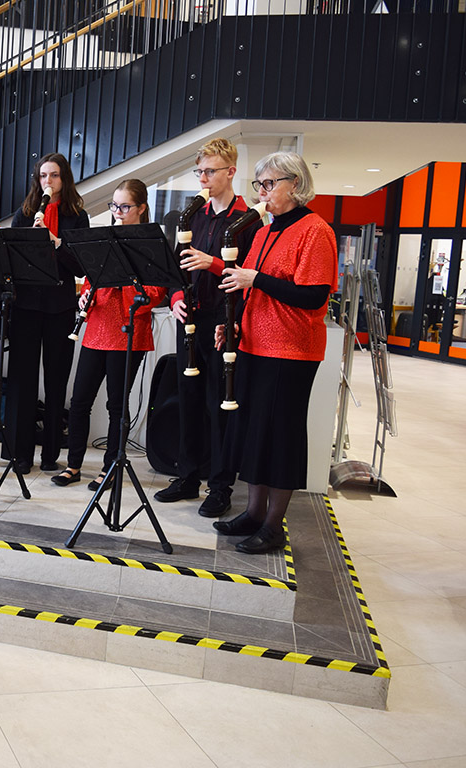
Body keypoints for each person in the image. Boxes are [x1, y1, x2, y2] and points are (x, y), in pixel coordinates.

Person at [213, 152, 338, 554]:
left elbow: (313, 295)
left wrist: (258, 279)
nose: (262, 193)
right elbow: (247, 287)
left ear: (295, 185)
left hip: (291, 350)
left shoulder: (315, 231)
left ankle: (273, 524)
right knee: (254, 433)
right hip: (254, 344)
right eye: (259, 185)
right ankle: (253, 513)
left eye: (270, 184)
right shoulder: (265, 232)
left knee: (280, 436)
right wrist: (233, 323)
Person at [155, 138, 261, 517]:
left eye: (210, 171)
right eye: (199, 171)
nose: (203, 178)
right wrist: (175, 299)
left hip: (223, 322)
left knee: (220, 406)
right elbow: (173, 268)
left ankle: (220, 486)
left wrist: (212, 263)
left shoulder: (248, 220)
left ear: (230, 172)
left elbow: (250, 275)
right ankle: (187, 476)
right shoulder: (192, 216)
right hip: (190, 319)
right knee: (189, 400)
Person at [52, 179, 168, 489]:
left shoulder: (150, 243)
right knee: (79, 401)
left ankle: (111, 467)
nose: (117, 212)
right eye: (114, 205)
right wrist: (86, 298)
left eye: (124, 206)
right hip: (97, 327)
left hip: (129, 331)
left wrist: (122, 280)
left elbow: (154, 294)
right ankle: (73, 465)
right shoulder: (103, 238)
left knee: (116, 404)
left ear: (141, 208)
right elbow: (93, 278)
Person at [7, 152, 89, 475]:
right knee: (22, 381)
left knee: (56, 381)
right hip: (26, 306)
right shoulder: (26, 213)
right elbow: (11, 258)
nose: (48, 181)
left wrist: (55, 242)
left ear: (64, 179)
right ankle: (20, 453)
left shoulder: (77, 217)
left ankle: (51, 453)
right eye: (43, 176)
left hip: (60, 307)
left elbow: (81, 267)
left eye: (54, 175)